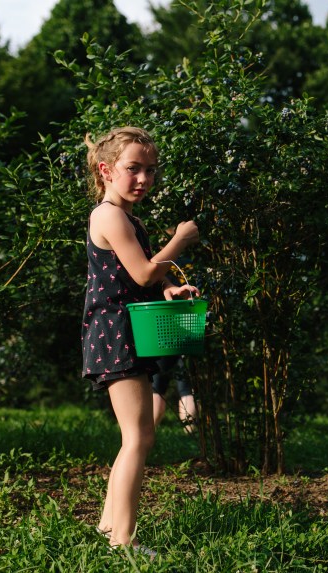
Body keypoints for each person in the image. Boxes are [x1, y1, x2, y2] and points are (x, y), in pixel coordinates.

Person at [80, 126, 199, 555]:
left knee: (137, 435)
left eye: (150, 170)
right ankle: (123, 541)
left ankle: (108, 527)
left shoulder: (129, 218)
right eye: (133, 169)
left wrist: (169, 288)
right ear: (106, 170)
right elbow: (143, 272)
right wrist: (180, 240)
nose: (144, 179)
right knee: (139, 437)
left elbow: (146, 276)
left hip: (126, 329)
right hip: (115, 333)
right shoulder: (108, 215)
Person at [152, 355, 198, 433]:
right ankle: (190, 432)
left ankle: (149, 431)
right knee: (187, 390)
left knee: (158, 389)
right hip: (187, 349)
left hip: (162, 349)